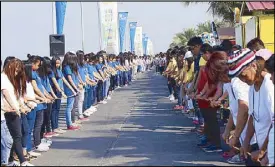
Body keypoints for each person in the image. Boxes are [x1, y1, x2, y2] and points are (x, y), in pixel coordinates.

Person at [228, 48, 274, 166]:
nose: (243, 80)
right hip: (261, 147)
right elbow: (252, 117)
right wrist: (246, 143)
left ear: (253, 65)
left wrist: (263, 151)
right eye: (240, 78)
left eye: (244, 76)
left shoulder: (269, 85)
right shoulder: (252, 87)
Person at [2, 58, 33, 166]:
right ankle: (22, 161)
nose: (16, 73)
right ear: (10, 66)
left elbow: (16, 95)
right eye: (16, 70)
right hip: (9, 112)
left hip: (13, 111)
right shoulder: (3, 77)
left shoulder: (10, 79)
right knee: (16, 136)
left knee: (12, 138)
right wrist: (15, 108)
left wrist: (21, 106)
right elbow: (6, 95)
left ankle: (11, 161)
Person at [62, 52, 80, 130]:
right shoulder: (67, 67)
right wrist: (75, 88)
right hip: (70, 89)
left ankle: (72, 122)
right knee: (69, 107)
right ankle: (69, 124)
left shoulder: (70, 67)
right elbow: (70, 79)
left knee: (73, 106)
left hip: (74, 88)